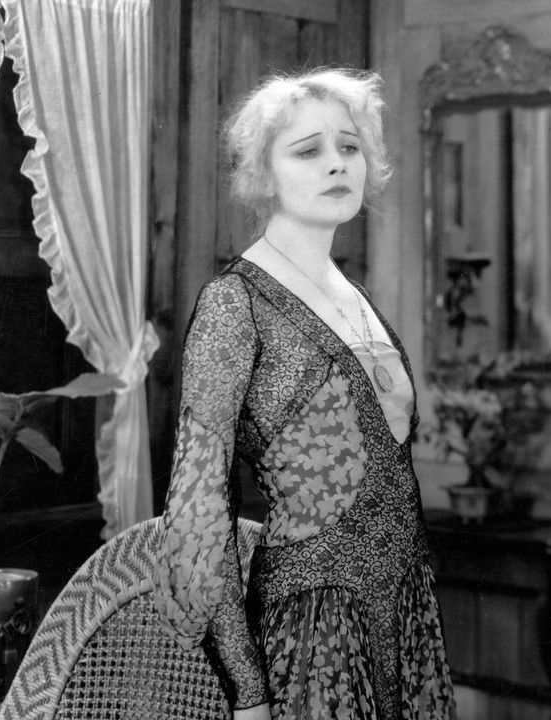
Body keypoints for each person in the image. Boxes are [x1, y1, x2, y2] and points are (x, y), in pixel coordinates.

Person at [155, 68, 456, 719]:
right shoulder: (234, 304)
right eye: (307, 150)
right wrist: (246, 689)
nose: (336, 164)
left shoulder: (355, 295)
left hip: (406, 617)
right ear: (264, 173)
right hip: (313, 629)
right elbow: (199, 511)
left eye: (349, 146)